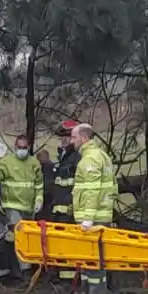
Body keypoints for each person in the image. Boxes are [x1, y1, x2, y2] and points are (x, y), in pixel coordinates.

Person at [70, 122, 118, 294]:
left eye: (74, 137)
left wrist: (87, 218)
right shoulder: (101, 155)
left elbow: (92, 190)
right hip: (102, 214)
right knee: (92, 257)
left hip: (93, 218)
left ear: (84, 138)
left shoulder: (90, 159)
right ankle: (87, 291)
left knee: (93, 258)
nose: (71, 141)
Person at [0, 135, 43, 277]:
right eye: (19, 148)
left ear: (29, 147)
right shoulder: (7, 162)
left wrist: (39, 199)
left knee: (20, 237)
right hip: (12, 205)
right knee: (20, 235)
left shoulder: (34, 163)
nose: (22, 150)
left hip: (29, 207)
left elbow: (39, 184)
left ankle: (16, 267)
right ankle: (23, 270)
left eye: (24, 148)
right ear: (15, 147)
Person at [47, 119, 81, 282]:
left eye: (67, 136)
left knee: (71, 246)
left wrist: (72, 207)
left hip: (70, 211)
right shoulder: (65, 157)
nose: (64, 140)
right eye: (62, 137)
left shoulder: (77, 158)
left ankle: (70, 280)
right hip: (60, 211)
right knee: (61, 245)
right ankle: (62, 277)